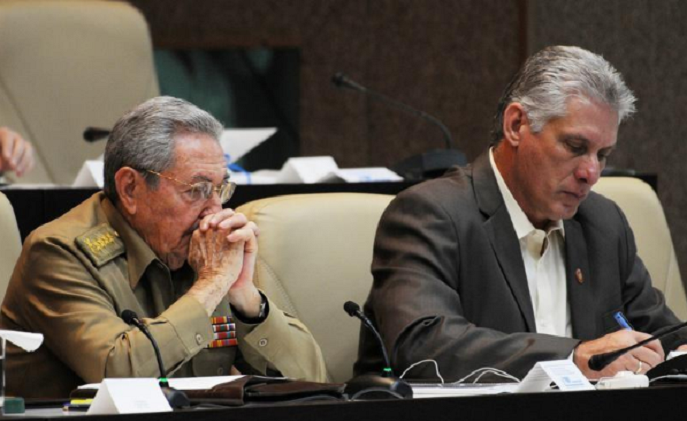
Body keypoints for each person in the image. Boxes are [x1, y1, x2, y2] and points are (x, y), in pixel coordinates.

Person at [355, 46, 687, 382]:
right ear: (516, 125)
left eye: (602, 155)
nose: (591, 172)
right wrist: (572, 358)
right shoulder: (431, 214)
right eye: (575, 147)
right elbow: (422, 346)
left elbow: (664, 335)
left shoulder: (603, 223)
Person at [1, 96, 327, 399]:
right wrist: (212, 285)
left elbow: (312, 382)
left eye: (221, 189)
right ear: (130, 188)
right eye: (197, 190)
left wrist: (246, 299)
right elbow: (119, 377)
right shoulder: (58, 253)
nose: (215, 210)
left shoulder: (207, 252)